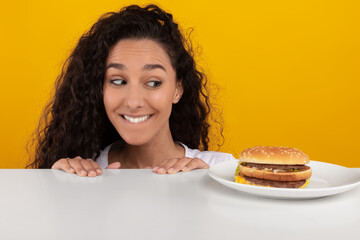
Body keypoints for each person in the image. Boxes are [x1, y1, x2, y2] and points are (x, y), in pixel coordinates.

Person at [26, 4, 236, 177]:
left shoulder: (221, 170)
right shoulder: (83, 173)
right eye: (118, 81)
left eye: (153, 83)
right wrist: (57, 188)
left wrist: (210, 193)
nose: (134, 101)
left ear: (178, 90)